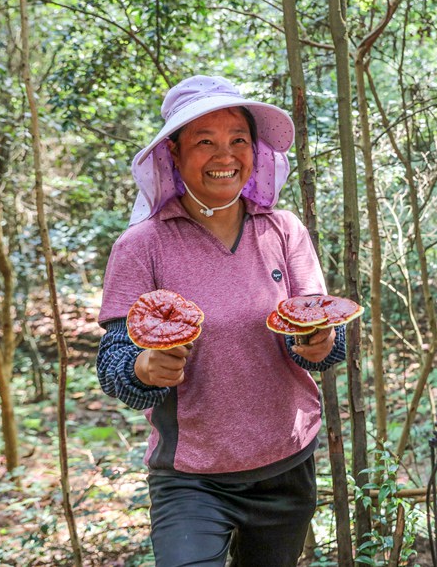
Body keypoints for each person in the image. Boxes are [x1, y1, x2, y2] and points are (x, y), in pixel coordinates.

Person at [96, 75, 345, 567]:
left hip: (285, 464)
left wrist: (319, 344)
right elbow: (114, 362)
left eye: (238, 141)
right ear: (173, 153)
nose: (224, 155)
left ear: (255, 152)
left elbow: (317, 333)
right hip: (191, 475)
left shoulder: (282, 230)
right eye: (204, 141)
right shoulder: (142, 245)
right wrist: (143, 370)